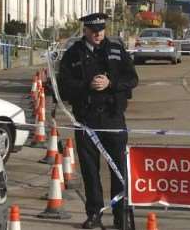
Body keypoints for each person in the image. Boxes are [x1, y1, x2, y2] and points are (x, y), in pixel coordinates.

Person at [58, 13, 138, 229]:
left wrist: (111, 83)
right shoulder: (73, 53)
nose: (98, 35)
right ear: (85, 31)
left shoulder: (115, 50)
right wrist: (87, 86)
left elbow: (132, 79)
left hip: (112, 117)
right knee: (90, 171)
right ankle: (94, 214)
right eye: (94, 31)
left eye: (101, 31)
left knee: (119, 169)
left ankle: (120, 216)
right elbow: (63, 86)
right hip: (86, 119)